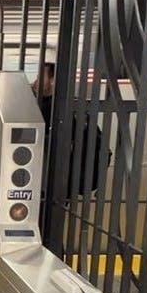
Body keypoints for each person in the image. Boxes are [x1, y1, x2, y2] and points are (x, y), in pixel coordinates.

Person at [32, 62, 108, 196]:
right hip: (44, 175)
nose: (35, 82)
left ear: (53, 80)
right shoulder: (43, 104)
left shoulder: (68, 108)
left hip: (57, 176)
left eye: (40, 77)